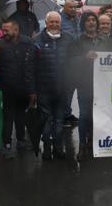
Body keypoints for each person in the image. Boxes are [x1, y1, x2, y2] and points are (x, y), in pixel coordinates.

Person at [69, 11, 112, 161]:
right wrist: (84, 57)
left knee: (100, 115)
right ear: (83, 23)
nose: (91, 23)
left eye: (93, 20)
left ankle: (94, 142)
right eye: (88, 20)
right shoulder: (77, 40)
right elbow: (70, 61)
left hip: (102, 84)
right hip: (85, 83)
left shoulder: (103, 40)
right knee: (85, 115)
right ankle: (83, 144)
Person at [0, 20, 36, 159]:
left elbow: (33, 64)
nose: (4, 32)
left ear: (16, 29)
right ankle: (7, 144)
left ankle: (21, 140)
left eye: (7, 30)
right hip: (6, 87)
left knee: (21, 115)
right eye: (3, 30)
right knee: (8, 117)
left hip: (24, 87)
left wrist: (33, 89)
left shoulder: (27, 42)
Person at [33, 12, 74, 160]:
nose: (55, 24)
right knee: (46, 121)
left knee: (59, 120)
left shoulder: (68, 39)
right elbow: (32, 67)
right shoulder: (37, 40)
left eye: (57, 22)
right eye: (52, 22)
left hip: (62, 88)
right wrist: (33, 90)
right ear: (46, 22)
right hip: (44, 89)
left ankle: (58, 147)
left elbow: (72, 61)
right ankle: (47, 149)